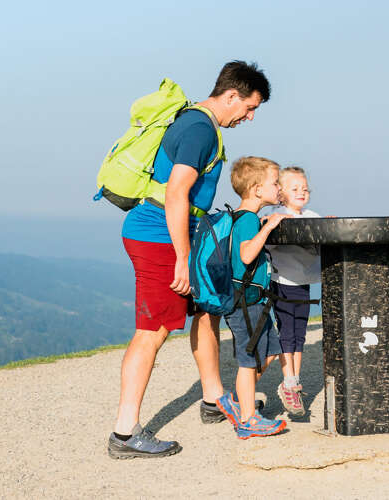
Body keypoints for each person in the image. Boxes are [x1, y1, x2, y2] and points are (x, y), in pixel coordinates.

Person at [107, 61, 271, 459]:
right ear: (231, 95)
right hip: (159, 238)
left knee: (206, 310)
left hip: (178, 235)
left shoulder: (195, 122)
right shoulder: (199, 129)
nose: (249, 117)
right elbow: (178, 193)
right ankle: (125, 433)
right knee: (153, 331)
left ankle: (214, 398)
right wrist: (182, 258)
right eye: (249, 108)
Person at [214, 156, 292, 439]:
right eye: (275, 183)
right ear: (257, 189)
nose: (279, 187)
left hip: (252, 301)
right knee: (249, 361)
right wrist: (268, 227)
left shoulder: (245, 218)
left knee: (270, 351)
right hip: (244, 303)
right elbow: (247, 255)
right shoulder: (247, 219)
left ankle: (237, 401)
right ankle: (247, 419)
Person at [263, 167, 320, 416]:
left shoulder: (312, 215)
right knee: (287, 333)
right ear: (281, 192)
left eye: (305, 189)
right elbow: (265, 227)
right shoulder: (276, 215)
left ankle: (294, 380)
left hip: (303, 282)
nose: (301, 192)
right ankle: (289, 381)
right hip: (282, 281)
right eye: (295, 188)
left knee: (300, 334)